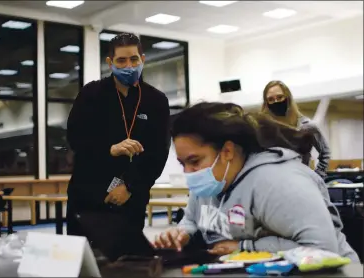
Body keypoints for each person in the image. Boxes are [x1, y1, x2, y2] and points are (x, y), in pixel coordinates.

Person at [154, 102, 359, 262]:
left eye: (194, 161)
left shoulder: (279, 182)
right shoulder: (208, 182)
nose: (189, 173)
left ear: (227, 151)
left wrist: (244, 248)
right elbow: (192, 220)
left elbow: (322, 248)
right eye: (182, 164)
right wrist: (181, 234)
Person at [66, 33, 170, 237]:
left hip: (132, 196)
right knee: (82, 259)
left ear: (143, 59)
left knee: (127, 260)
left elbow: (159, 152)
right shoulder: (91, 94)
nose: (129, 66)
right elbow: (75, 138)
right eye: (121, 60)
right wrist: (109, 149)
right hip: (88, 192)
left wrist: (129, 186)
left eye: (134, 59)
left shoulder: (156, 100)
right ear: (110, 62)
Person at [261, 80, 330, 178]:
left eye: (280, 97)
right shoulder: (265, 128)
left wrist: (317, 177)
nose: (276, 102)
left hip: (301, 181)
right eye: (271, 99)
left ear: (287, 98)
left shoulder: (306, 126)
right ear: (266, 103)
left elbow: (325, 152)